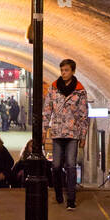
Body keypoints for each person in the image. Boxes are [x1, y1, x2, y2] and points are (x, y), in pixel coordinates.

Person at [41, 58, 89, 210]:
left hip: (72, 134)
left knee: (71, 166)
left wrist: (83, 136)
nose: (63, 73)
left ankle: (71, 200)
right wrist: (44, 129)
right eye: (62, 70)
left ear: (73, 71)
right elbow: (47, 110)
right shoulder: (53, 88)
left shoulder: (80, 91)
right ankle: (58, 193)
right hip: (56, 132)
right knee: (55, 166)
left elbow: (83, 115)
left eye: (66, 70)